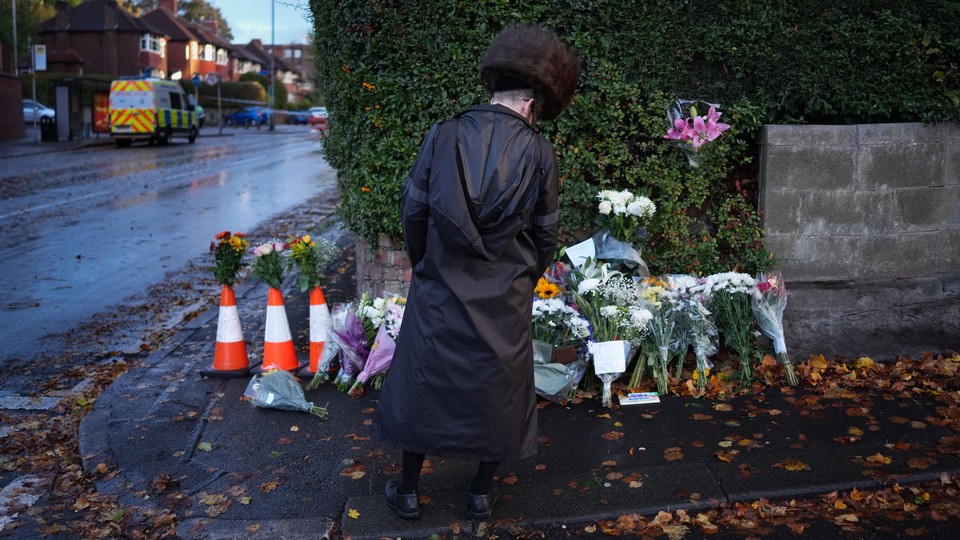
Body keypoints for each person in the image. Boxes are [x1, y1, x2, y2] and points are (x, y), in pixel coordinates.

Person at [370, 23, 581, 521]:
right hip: (504, 290)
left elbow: (414, 212)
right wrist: (523, 277)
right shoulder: (540, 153)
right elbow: (546, 233)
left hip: (440, 281)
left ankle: (406, 489)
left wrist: (427, 265)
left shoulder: (442, 134)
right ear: (531, 102)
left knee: (424, 380)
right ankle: (481, 493)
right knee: (498, 387)